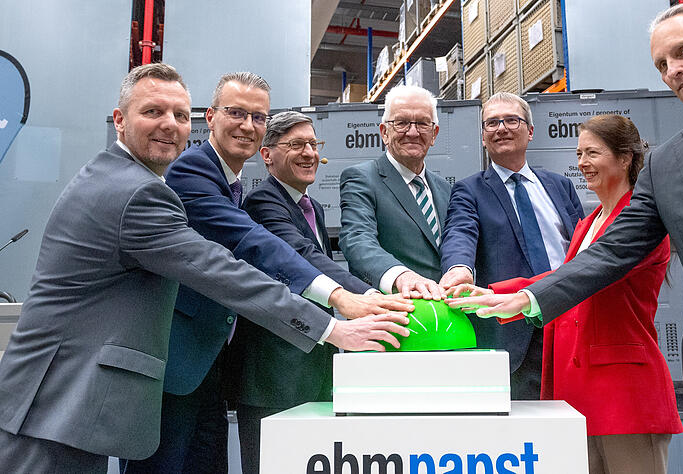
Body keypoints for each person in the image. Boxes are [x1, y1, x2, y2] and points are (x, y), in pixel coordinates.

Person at [449, 4, 683, 472]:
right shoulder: (669, 163)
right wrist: (527, 297)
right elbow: (611, 253)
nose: (674, 70)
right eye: (662, 64)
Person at [0, 63, 408, 473]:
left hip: (114, 389)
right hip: (57, 402)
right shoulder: (139, 191)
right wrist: (333, 324)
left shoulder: (135, 178)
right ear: (120, 121)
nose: (170, 125)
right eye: (153, 112)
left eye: (179, 115)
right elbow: (224, 266)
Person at [122, 73, 411, 473]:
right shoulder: (193, 172)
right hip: (181, 358)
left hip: (207, 358)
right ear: (210, 117)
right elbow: (258, 244)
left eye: (258, 117)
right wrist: (342, 298)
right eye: (236, 113)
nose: (248, 125)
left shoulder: (231, 182)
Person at [476, 115, 682, 473]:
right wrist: (492, 294)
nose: (582, 163)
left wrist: (523, 299)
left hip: (622, 394)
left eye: (593, 153)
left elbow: (587, 277)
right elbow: (563, 277)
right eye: (579, 153)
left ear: (625, 158)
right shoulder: (589, 222)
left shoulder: (640, 219)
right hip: (578, 390)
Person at [232, 111, 388, 473]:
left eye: (313, 144)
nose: (308, 153)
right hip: (272, 376)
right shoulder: (263, 202)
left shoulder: (312, 206)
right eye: (296, 145)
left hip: (312, 366)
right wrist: (367, 298)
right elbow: (303, 256)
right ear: (266, 155)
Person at [439, 92, 582, 399]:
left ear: (530, 131)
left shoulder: (561, 186)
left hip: (571, 323)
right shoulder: (469, 191)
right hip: (516, 334)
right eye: (491, 123)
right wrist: (459, 269)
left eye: (511, 120)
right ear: (482, 136)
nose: (501, 128)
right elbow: (460, 233)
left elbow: (583, 247)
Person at [339, 84, 451, 299]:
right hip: (393, 317)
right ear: (384, 132)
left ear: (434, 133)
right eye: (401, 123)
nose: (412, 132)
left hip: (446, 318)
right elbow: (357, 239)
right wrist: (402, 277)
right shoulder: (361, 178)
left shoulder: (446, 189)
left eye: (422, 123)